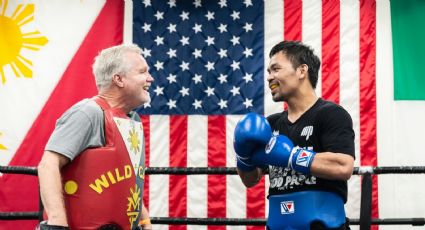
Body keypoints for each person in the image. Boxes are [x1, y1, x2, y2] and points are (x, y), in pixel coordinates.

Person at [233, 41, 355, 230]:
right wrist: (243, 157)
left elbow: (343, 166)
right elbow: (250, 180)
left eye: (275, 69)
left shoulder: (331, 114)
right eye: (268, 72)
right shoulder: (271, 124)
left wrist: (291, 156)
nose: (269, 77)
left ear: (301, 71)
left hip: (323, 225)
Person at [37, 44, 154, 230]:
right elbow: (48, 164)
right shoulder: (87, 113)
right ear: (119, 79)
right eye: (142, 72)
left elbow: (129, 180)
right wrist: (57, 223)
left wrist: (144, 222)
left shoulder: (131, 121)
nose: (150, 78)